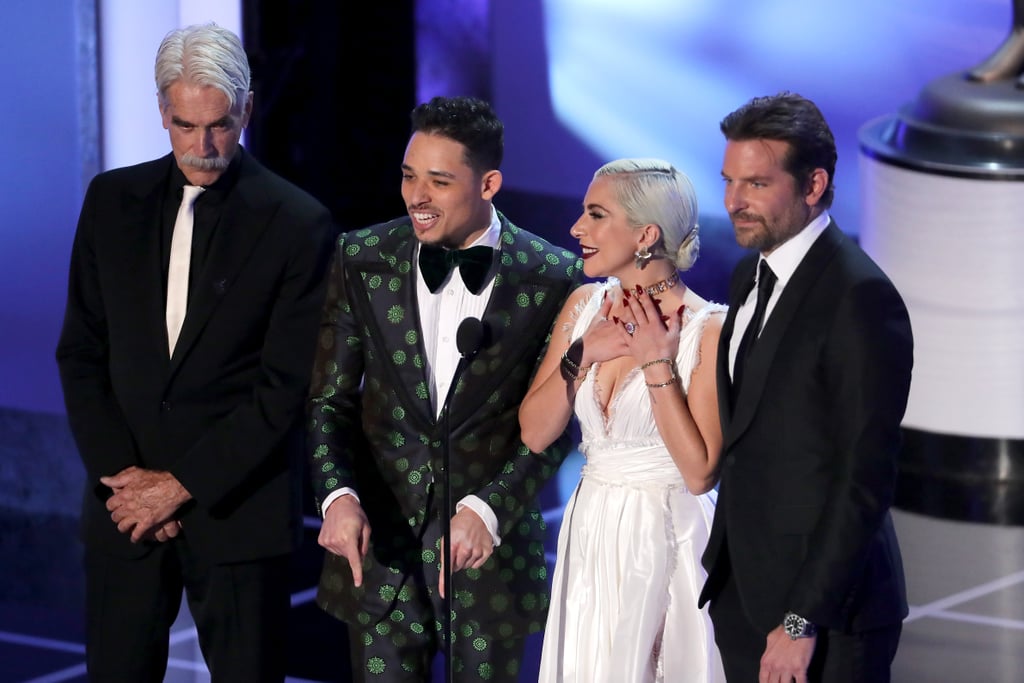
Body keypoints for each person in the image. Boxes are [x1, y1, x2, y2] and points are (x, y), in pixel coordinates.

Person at [55, 23, 336, 682]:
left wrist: (179, 486)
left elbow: (284, 385)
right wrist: (126, 485)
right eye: (185, 125)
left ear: (246, 109)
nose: (204, 147)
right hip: (124, 517)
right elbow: (81, 351)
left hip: (236, 518)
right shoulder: (109, 201)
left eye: (218, 125)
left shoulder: (299, 223)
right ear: (161, 111)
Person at [306, 95, 583, 682]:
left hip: (490, 562)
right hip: (380, 559)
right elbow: (330, 399)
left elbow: (560, 426)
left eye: (438, 181)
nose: (416, 197)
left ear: (489, 184)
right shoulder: (362, 257)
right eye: (409, 176)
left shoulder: (553, 276)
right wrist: (338, 496)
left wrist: (490, 506)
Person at [697, 92, 913, 682]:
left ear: (814, 184)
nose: (733, 202)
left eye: (756, 185)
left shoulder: (858, 297)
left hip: (825, 620)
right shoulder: (750, 274)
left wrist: (800, 621)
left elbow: (863, 478)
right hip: (744, 594)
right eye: (728, 181)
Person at [518, 158, 726, 682]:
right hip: (590, 528)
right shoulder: (584, 305)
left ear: (646, 235)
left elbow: (700, 471)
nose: (576, 229)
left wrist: (657, 362)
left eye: (596, 214)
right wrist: (581, 354)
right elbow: (534, 432)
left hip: (669, 535)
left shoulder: (708, 330)